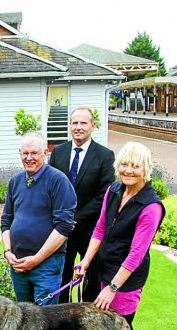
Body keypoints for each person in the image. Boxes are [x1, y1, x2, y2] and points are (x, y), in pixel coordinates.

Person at [76, 141, 165, 330]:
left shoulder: (151, 207)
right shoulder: (114, 191)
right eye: (124, 164)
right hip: (105, 270)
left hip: (126, 281)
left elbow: (137, 253)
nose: (128, 170)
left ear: (146, 170)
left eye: (135, 166)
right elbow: (100, 227)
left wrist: (113, 288)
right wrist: (86, 261)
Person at [1, 131, 76, 306]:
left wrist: (37, 259)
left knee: (45, 323)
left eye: (34, 153)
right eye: (25, 153)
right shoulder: (15, 182)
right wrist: (7, 252)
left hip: (47, 265)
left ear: (45, 153)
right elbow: (6, 221)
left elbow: (64, 227)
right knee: (24, 320)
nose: (29, 158)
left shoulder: (58, 181)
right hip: (18, 264)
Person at [48, 107, 115, 304]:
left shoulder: (105, 156)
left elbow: (104, 195)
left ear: (93, 126)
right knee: (61, 279)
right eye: (75, 123)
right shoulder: (58, 153)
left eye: (83, 123)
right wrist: (62, 221)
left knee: (92, 280)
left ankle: (89, 321)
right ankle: (62, 322)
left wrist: (74, 219)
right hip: (61, 232)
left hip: (90, 232)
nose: (78, 127)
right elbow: (50, 190)